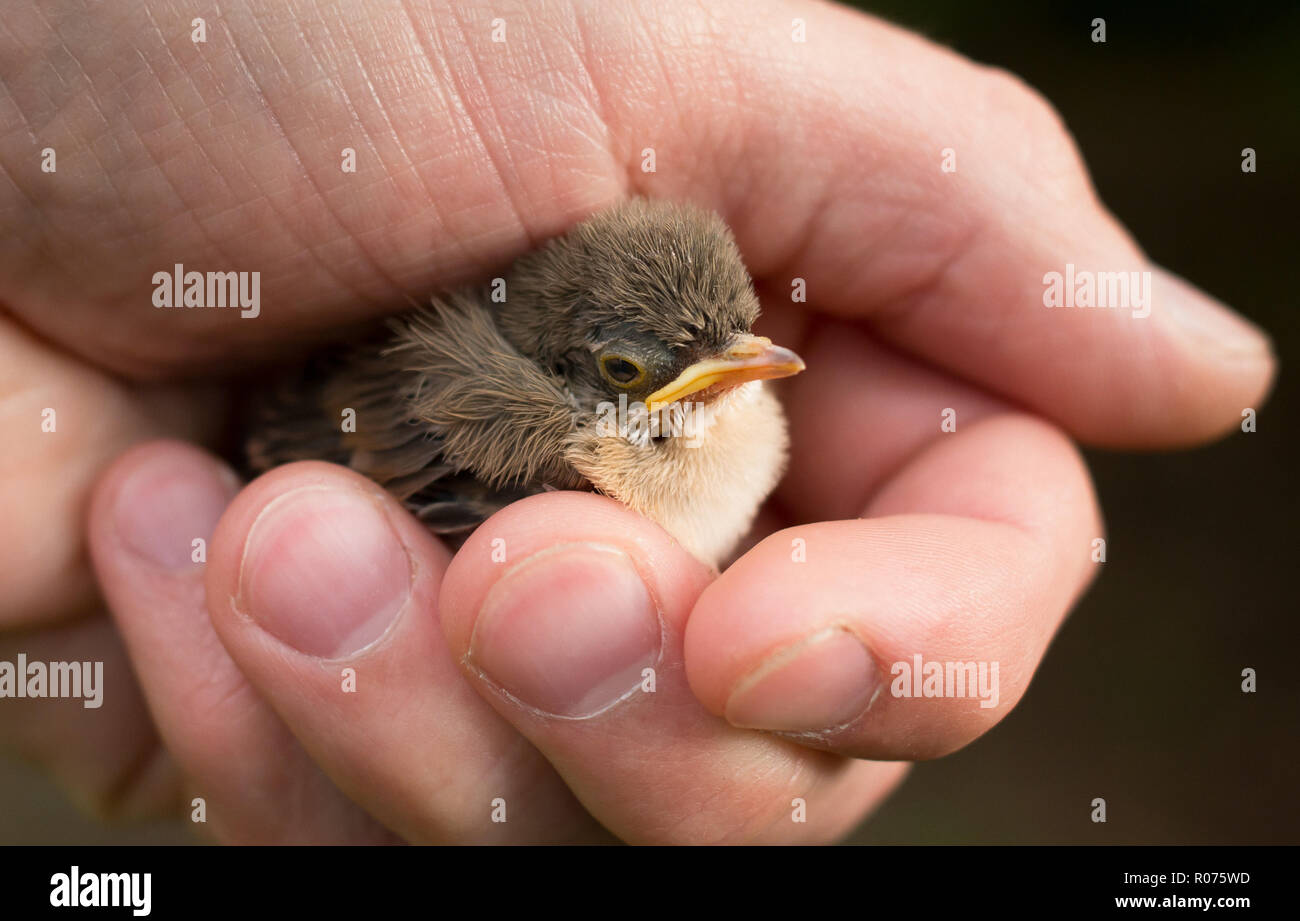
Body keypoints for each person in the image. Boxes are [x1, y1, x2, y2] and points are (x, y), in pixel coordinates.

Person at [0, 0, 1273, 843]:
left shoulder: (745, 407)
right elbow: (299, 444)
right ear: (580, 368)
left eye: (744, 338)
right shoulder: (542, 444)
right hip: (270, 452)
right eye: (632, 364)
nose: (751, 370)